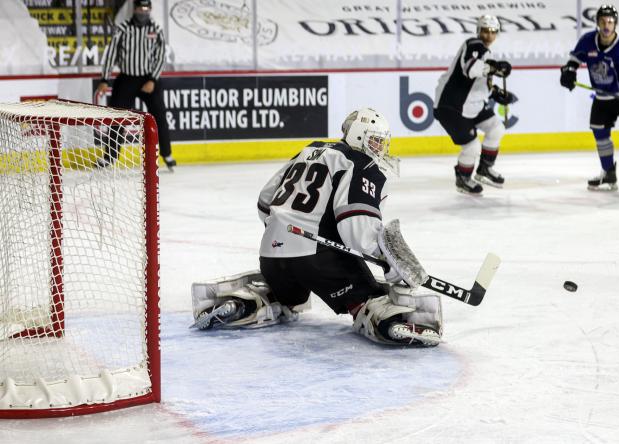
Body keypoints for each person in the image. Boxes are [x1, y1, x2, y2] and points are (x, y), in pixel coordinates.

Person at [190, 108, 443, 346]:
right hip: (318, 259)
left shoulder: (309, 150)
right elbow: (357, 230)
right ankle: (388, 322)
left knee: (289, 300)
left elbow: (265, 202)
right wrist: (389, 261)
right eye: (375, 140)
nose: (379, 148)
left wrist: (282, 230)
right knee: (368, 296)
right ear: (358, 137)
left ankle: (248, 305)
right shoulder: (362, 164)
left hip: (271, 256)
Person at [434, 14, 516, 195]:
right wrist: (495, 68)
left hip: (471, 105)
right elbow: (470, 69)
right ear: (478, 31)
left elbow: (478, 83)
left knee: (496, 129)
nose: (489, 35)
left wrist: (494, 92)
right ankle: (463, 179)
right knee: (472, 147)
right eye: (485, 31)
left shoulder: (486, 53)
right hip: (451, 106)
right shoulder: (474, 45)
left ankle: (484, 169)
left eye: (493, 31)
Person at [94, 0, 176, 171]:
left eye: (146, 9)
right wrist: (104, 79)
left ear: (150, 9)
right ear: (135, 9)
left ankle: (167, 154)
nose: (143, 12)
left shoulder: (156, 29)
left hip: (148, 79)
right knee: (117, 118)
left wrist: (153, 80)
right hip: (127, 78)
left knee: (159, 116)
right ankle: (109, 157)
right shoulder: (123, 28)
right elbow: (111, 53)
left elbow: (161, 57)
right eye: (140, 8)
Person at [560, 4, 619, 191]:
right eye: (602, 21)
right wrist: (569, 71)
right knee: (600, 134)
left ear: (615, 24)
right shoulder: (587, 41)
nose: (606, 25)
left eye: (610, 21)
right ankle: (608, 173)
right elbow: (575, 59)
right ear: (597, 23)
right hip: (602, 98)